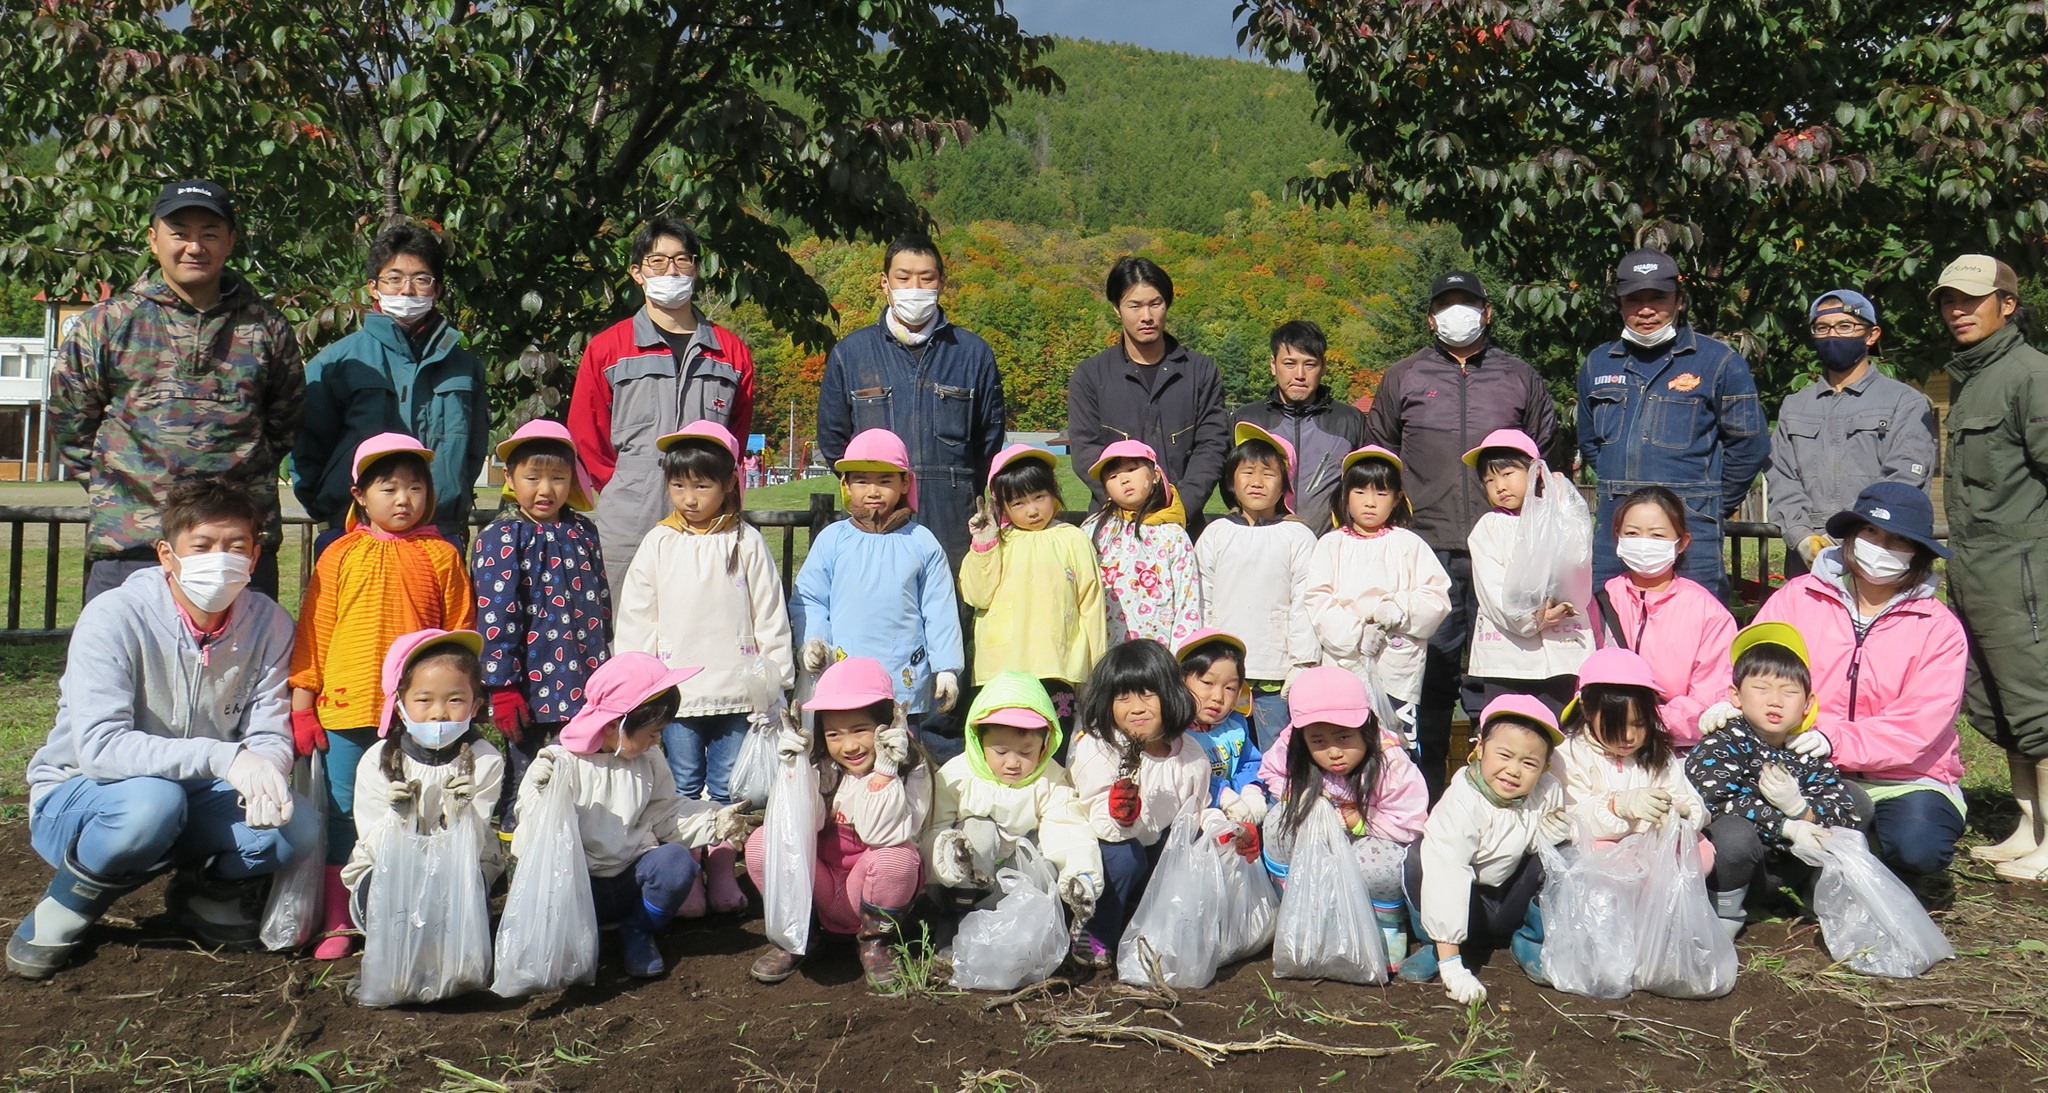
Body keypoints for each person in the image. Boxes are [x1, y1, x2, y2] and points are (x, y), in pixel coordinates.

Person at [9, 475, 314, 978]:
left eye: (236, 546)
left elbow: (268, 731)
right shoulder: (114, 616)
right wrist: (225, 757)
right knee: (152, 803)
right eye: (203, 545)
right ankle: (69, 903)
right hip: (87, 793)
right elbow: (100, 749)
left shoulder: (271, 623)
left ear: (255, 557)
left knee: (292, 827)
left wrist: (268, 771)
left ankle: (203, 893)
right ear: (167, 554)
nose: (221, 558)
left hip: (195, 793)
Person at [1361, 271, 1559, 815]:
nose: (1457, 314)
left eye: (1467, 303)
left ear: (1487, 312)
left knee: (1500, 674)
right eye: (1446, 305)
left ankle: (1498, 794)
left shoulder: (1519, 378)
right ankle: (1420, 798)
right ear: (1430, 318)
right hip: (1429, 549)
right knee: (1430, 675)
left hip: (1506, 551)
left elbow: (1545, 455)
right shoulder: (1404, 377)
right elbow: (1379, 456)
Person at [50, 179, 301, 602]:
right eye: (180, 232)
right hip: (131, 547)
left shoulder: (266, 327)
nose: (194, 246)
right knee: (124, 665)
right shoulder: (106, 324)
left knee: (239, 666)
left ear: (230, 242)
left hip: (235, 547)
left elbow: (284, 423)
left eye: (209, 234)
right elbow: (71, 424)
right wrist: (123, 491)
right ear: (153, 239)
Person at [288, 432, 474, 959]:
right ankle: (339, 916)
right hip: (347, 707)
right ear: (360, 496)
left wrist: (458, 700)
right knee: (348, 813)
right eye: (389, 488)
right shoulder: (338, 555)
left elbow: (460, 632)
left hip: (417, 716)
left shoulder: (441, 555)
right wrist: (304, 702)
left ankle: (415, 908)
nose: (403, 500)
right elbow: (315, 631)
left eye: (415, 488)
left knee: (419, 808)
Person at [1749, 483, 1969, 898]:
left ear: (1920, 551)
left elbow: (1919, 726)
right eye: (1871, 534)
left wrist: (1833, 738)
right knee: (1759, 855)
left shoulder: (1939, 627)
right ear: (1851, 537)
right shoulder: (1797, 598)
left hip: (1904, 774)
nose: (1881, 547)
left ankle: (1876, 860)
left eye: (1899, 540)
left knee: (1918, 847)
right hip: (1802, 763)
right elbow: (1755, 670)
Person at [613, 420, 794, 917]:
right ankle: (687, 873)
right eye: (678, 485)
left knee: (730, 786)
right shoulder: (659, 543)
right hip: (678, 695)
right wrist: (636, 682)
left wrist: (774, 680)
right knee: (683, 785)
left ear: (730, 483)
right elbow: (637, 616)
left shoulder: (746, 542)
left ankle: (720, 871)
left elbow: (770, 613)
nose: (689, 498)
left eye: (702, 485)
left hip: (737, 690)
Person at [519, 653, 757, 978]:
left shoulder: (649, 760)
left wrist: (715, 821)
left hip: (631, 877)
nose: (657, 739)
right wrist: (541, 794)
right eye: (652, 731)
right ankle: (579, 938)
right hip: (579, 885)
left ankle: (638, 930)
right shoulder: (559, 764)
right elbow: (534, 834)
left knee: (676, 863)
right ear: (617, 723)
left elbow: (666, 813)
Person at [1928, 255, 2048, 883]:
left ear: (2007, 304)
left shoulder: (2030, 374)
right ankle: (2029, 825)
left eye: (1972, 299)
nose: (1957, 310)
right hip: (1979, 570)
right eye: (1949, 300)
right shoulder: (1975, 377)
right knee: (2000, 702)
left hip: (2025, 571)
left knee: (2039, 701)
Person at [567, 216, 756, 591]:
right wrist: (624, 484)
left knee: (700, 627)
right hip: (626, 521)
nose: (672, 270)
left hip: (707, 519)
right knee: (623, 632)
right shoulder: (607, 349)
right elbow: (586, 437)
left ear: (696, 269)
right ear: (637, 272)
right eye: (658, 261)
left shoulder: (731, 352)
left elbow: (736, 437)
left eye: (682, 259)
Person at [1577, 247, 1769, 596]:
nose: (1646, 309)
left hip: (1690, 531)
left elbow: (1749, 447)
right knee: (1612, 628)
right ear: (1620, 304)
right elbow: (1592, 444)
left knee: (1693, 635)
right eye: (1634, 299)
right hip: (1615, 530)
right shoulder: (1598, 363)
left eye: (1658, 298)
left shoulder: (1720, 362)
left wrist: (1706, 506)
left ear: (1680, 300)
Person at [814, 234, 1007, 566]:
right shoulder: (851, 353)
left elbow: (988, 440)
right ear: (884, 283)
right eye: (903, 277)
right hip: (875, 524)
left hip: (952, 524)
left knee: (952, 615)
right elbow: (833, 440)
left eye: (926, 278)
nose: (914, 287)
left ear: (941, 283)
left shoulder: (973, 354)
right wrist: (872, 489)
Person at [294, 222, 490, 545]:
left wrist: (447, 501)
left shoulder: (465, 368)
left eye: (421, 279)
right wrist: (332, 509)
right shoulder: (335, 363)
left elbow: (472, 453)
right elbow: (307, 448)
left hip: (439, 534)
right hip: (350, 532)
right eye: (394, 278)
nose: (407, 291)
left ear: (437, 289)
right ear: (373, 287)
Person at [747, 657, 932, 990]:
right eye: (834, 734)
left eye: (860, 730)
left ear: (887, 723)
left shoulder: (910, 770)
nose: (848, 746)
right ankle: (798, 934)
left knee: (897, 857)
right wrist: (796, 771)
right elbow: (799, 826)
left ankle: (876, 944)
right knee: (763, 841)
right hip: (819, 887)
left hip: (869, 889)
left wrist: (886, 770)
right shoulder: (823, 766)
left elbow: (881, 834)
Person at [470, 420, 611, 834]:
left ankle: (571, 837)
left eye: (558, 478)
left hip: (582, 670)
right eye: (532, 478)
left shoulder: (583, 532)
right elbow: (495, 614)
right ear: (511, 478)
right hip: (527, 677)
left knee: (576, 761)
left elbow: (601, 601)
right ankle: (518, 841)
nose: (545, 490)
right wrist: (502, 685)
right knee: (526, 766)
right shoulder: (502, 535)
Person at [793, 428, 965, 762]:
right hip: (844, 673)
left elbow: (939, 607)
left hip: (902, 676)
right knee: (848, 754)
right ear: (846, 485)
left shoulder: (922, 542)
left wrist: (947, 667)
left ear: (905, 484)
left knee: (901, 755)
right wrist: (814, 640)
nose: (873, 491)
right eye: (861, 480)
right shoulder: (832, 540)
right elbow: (811, 598)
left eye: (885, 480)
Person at [1686, 623, 1864, 936]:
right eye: (1761, 688)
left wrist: (1802, 810)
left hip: (1791, 867)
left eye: (1790, 691)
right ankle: (1724, 910)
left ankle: (1818, 890)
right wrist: (1786, 826)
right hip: (1739, 871)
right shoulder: (1722, 740)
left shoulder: (1804, 749)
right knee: (1732, 833)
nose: (1775, 700)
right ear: (1735, 696)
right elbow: (1717, 801)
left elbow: (1842, 807)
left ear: (1807, 704)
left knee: (1856, 799)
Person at [1256, 665, 1429, 969]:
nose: (1334, 752)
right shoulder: (1290, 749)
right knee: (1278, 821)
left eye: (1344, 736)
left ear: (1366, 728)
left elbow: (1411, 820)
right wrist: (1307, 799)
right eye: (1319, 741)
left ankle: (1384, 924)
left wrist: (1360, 821)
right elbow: (1271, 772)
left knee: (1378, 860)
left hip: (1371, 842)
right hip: (1318, 843)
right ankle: (1295, 909)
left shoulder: (1391, 763)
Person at [1399, 695, 1567, 1003]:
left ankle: (1530, 939)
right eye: (1504, 755)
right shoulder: (1462, 800)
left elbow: (1529, 845)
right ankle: (1435, 946)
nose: (1513, 770)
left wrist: (1549, 833)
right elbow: (1447, 872)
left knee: (1560, 855)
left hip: (1506, 903)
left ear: (1544, 768)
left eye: (1529, 763)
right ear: (1479, 749)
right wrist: (1453, 969)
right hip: (1465, 903)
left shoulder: (1548, 792)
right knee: (1418, 856)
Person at [1065, 639, 1220, 966]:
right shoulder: (1100, 748)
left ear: (1171, 694)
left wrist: (1224, 831)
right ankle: (1094, 930)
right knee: (1126, 858)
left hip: (1154, 845)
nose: (1136, 707)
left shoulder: (1190, 755)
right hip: (1103, 846)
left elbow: (1198, 812)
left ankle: (1145, 927)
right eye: (1122, 696)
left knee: (1180, 851)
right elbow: (1095, 818)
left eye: (1147, 694)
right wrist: (1120, 814)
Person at [1765, 291, 1937, 577]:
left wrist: (1852, 536)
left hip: (1881, 553)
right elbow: (1781, 479)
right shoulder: (1794, 406)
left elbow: (1905, 479)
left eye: (1845, 326)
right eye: (1822, 328)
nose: (1832, 335)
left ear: (1871, 335)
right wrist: (1801, 536)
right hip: (1808, 560)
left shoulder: (1904, 402)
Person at [341, 630, 506, 925]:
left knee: (457, 905)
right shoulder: (377, 761)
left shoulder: (485, 760)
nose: (439, 713)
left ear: (475, 705)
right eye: (424, 700)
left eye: (455, 700)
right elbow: (373, 839)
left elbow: (472, 841)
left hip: (459, 868)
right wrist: (401, 821)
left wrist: (456, 816)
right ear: (400, 708)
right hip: (390, 867)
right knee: (388, 902)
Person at [1303, 446, 1453, 765]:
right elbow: (1318, 600)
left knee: (1396, 749)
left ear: (1397, 498)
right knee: (1345, 742)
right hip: (1344, 663)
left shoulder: (1409, 544)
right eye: (1360, 492)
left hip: (1398, 670)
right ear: (1345, 496)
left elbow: (1436, 597)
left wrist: (1398, 609)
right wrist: (1357, 634)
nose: (1370, 502)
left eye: (1381, 493)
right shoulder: (1330, 544)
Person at [921, 672, 1102, 923]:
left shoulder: (1049, 779)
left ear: (1046, 744)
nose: (1013, 763)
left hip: (1014, 883)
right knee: (978, 829)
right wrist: (949, 856)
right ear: (978, 741)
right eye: (1001, 751)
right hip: (958, 885)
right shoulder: (957, 776)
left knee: (1043, 857)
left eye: (1026, 751)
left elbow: (1067, 829)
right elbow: (932, 829)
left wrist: (1080, 875)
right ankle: (956, 921)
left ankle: (1021, 926)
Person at [960, 445, 1107, 739]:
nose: (1032, 510)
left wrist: (1096, 670)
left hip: (1058, 667)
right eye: (1018, 503)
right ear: (1001, 506)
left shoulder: (1072, 538)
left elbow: (1091, 605)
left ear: (1054, 492)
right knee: (1005, 741)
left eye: (1039, 497)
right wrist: (984, 545)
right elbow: (976, 595)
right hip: (1004, 669)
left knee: (1055, 741)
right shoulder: (997, 542)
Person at [1066, 257, 1230, 521]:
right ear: (1116, 309)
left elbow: (1212, 447)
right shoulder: (1090, 376)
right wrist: (1126, 504)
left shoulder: (1200, 372)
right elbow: (1085, 451)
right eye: (1135, 305)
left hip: (1182, 526)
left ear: (1167, 304)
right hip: (1114, 525)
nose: (1147, 316)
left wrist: (1180, 507)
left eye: (1155, 304)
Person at [1195, 423, 1319, 743]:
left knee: (1275, 753)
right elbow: (1202, 597)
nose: (1257, 482)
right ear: (1231, 481)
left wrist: (1303, 662)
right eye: (1247, 472)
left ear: (1284, 486)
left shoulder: (1298, 536)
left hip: (1275, 675)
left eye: (1269, 473)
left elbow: (1305, 602)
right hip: (1219, 676)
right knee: (1220, 750)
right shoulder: (1216, 533)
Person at [1465, 429, 1595, 718]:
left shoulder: (1559, 517)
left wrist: (1562, 501)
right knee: (1508, 727)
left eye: (1508, 473)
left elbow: (1577, 562)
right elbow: (1492, 589)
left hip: (1562, 654)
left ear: (1536, 472)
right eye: (1489, 479)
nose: (1499, 486)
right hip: (1508, 658)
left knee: (1560, 731)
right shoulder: (1489, 528)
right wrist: (1532, 618)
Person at [1598, 486, 1737, 750]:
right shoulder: (1599, 600)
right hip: (1603, 742)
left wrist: (1645, 725)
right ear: (1617, 538)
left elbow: (1709, 698)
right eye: (1632, 533)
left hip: (1673, 748)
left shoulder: (1709, 613)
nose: (1644, 543)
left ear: (1682, 542)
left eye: (1657, 535)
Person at [1551, 648, 1707, 842]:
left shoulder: (1656, 750)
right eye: (1616, 725)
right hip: (1598, 855)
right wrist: (1617, 806)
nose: (1629, 736)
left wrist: (1682, 815)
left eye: (1640, 724)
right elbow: (1572, 820)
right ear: (1588, 711)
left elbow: (1685, 796)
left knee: (1703, 849)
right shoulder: (1569, 755)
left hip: (1652, 849)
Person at [1229, 320, 1368, 520]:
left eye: (1310, 364)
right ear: (1273, 365)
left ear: (1323, 367)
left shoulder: (1349, 421)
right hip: (1263, 545)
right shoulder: (1246, 421)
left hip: (1328, 546)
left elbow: (1365, 483)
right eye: (1289, 363)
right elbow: (1230, 485)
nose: (1300, 375)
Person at [1082, 439, 1202, 647]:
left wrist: (1181, 657)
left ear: (1155, 475)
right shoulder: (1094, 530)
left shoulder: (1173, 534)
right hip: (1106, 651)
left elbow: (1187, 599)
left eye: (1131, 469)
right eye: (1113, 476)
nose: (1124, 480)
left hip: (1159, 651)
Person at [1175, 631, 1265, 810]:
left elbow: (1248, 762)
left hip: (1232, 813)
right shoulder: (1174, 731)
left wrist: (1251, 789)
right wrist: (1222, 793)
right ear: (1181, 681)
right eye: (1207, 683)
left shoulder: (1236, 724)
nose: (1218, 697)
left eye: (1230, 688)